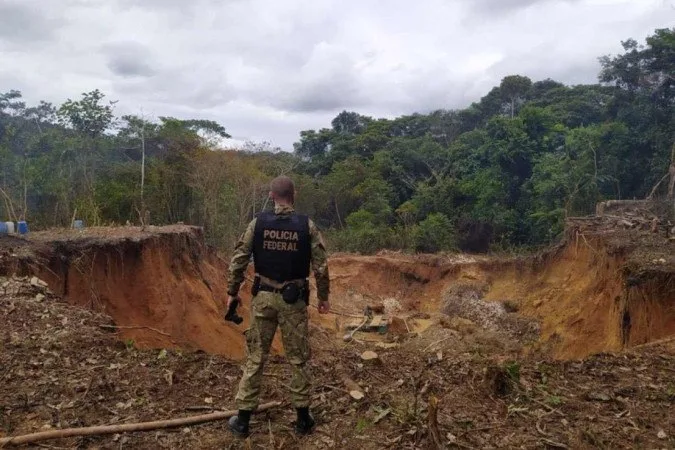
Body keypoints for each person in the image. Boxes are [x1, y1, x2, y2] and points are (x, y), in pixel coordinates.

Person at [226, 175, 330, 437]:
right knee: (298, 358)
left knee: (256, 357)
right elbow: (321, 266)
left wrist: (232, 292)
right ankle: (303, 419)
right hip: (293, 301)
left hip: (262, 298)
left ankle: (243, 421)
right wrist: (323, 298)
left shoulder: (257, 223)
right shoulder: (307, 226)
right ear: (294, 194)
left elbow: (239, 258)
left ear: (272, 196)